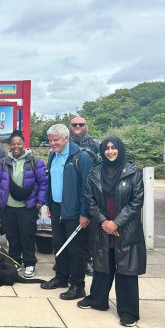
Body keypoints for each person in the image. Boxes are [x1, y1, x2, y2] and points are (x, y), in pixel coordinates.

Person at [78, 136, 146, 327]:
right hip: (103, 227)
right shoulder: (95, 171)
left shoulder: (132, 172)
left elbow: (136, 202)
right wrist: (103, 222)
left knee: (126, 270)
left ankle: (129, 312)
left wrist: (116, 223)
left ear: (120, 149)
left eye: (113, 148)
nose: (110, 151)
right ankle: (97, 300)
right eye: (106, 148)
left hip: (125, 229)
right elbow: (89, 199)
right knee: (102, 266)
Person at [41, 124, 94, 300]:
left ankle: (78, 285)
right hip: (57, 208)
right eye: (50, 140)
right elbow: (51, 180)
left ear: (66, 138)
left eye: (55, 140)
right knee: (59, 244)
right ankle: (61, 278)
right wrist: (49, 203)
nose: (52, 143)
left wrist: (84, 213)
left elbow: (88, 187)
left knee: (75, 250)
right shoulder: (53, 155)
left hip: (74, 211)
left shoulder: (81, 157)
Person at [0, 130, 48, 278]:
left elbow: (43, 183)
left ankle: (29, 264)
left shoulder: (35, 161)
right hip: (8, 207)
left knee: (27, 236)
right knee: (12, 236)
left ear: (23, 144)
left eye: (19, 143)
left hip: (27, 207)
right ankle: (15, 261)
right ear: (10, 145)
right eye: (13, 144)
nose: (16, 146)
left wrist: (39, 202)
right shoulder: (4, 162)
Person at [69, 116, 100, 276]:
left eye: (81, 124)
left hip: (89, 192)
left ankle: (87, 260)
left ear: (86, 126)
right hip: (70, 193)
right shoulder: (66, 144)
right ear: (69, 127)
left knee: (88, 230)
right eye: (75, 124)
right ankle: (69, 259)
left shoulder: (96, 145)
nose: (78, 126)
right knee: (69, 229)